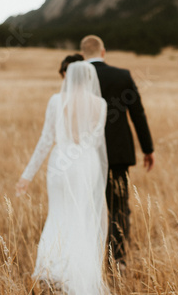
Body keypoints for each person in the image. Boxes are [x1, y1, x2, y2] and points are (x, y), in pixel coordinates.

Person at [15, 61, 110, 295]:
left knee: (58, 213)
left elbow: (47, 139)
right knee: (83, 216)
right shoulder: (101, 104)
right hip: (87, 162)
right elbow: (97, 142)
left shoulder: (57, 101)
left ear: (68, 77)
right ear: (90, 79)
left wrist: (27, 175)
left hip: (61, 163)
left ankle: (51, 271)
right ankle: (78, 275)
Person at [80, 35, 155, 269]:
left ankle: (88, 260)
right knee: (118, 207)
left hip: (86, 154)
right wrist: (148, 148)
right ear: (103, 52)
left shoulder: (77, 79)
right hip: (118, 154)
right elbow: (138, 114)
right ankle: (118, 260)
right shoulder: (122, 76)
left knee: (89, 206)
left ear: (83, 55)